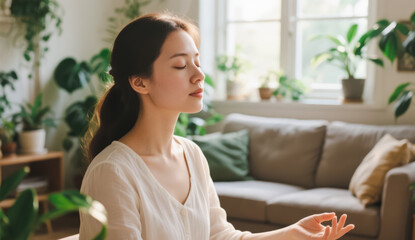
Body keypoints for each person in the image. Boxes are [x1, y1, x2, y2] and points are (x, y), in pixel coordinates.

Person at [79, 13, 355, 240]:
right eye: (180, 66)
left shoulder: (192, 155)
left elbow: (220, 236)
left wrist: (290, 234)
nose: (199, 75)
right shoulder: (112, 172)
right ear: (140, 82)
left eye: (197, 62)